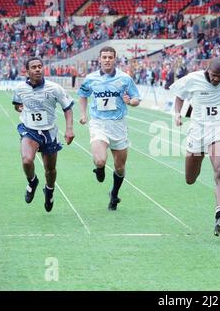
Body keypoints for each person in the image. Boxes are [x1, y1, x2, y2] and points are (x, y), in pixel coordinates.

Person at [170, 57, 220, 236]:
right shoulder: (192, 79)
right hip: (197, 131)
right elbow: (179, 95)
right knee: (190, 178)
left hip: (218, 129)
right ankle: (195, 169)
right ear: (207, 70)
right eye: (214, 75)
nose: (217, 79)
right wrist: (177, 113)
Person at [78, 46, 141, 210]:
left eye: (110, 57)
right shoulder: (90, 79)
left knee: (120, 168)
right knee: (100, 160)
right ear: (99, 59)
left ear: (115, 59)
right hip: (98, 123)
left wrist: (130, 101)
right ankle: (99, 168)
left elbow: (136, 99)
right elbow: (83, 95)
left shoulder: (125, 79)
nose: (107, 60)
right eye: (104, 57)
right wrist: (83, 114)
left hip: (118, 126)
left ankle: (114, 194)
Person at [12, 57, 75, 212]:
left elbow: (67, 108)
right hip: (30, 130)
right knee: (27, 160)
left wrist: (69, 129)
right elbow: (17, 105)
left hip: (49, 132)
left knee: (50, 170)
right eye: (34, 67)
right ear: (27, 71)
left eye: (40, 66)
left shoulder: (54, 88)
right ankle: (32, 182)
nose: (38, 69)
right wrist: (20, 108)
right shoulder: (20, 89)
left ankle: (49, 190)